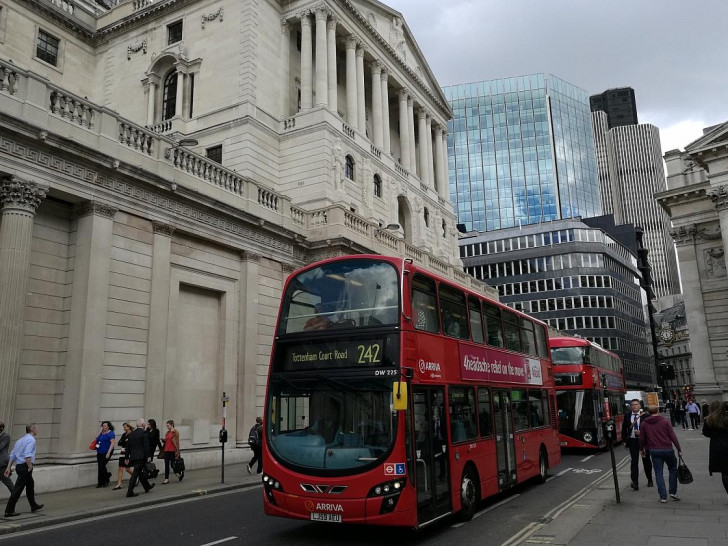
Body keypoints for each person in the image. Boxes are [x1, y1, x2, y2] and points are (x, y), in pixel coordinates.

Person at [639, 405, 682, 503]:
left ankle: (663, 497)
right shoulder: (665, 421)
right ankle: (673, 492)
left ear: (648, 412)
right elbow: (673, 436)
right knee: (673, 469)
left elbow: (641, 439)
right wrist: (679, 449)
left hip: (654, 451)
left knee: (658, 473)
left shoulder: (644, 423)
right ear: (658, 410)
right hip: (667, 449)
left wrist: (642, 449)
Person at [4, 424, 43, 517]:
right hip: (25, 467)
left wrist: (8, 468)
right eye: (36, 428)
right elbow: (27, 454)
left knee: (30, 485)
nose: (37, 430)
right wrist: (29, 466)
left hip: (19, 466)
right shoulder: (31, 440)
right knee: (17, 489)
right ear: (32, 430)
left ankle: (33, 505)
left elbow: (12, 455)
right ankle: (9, 511)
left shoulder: (20, 440)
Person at [621, 399, 653, 490]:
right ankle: (635, 482)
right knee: (634, 461)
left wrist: (642, 432)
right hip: (633, 441)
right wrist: (624, 441)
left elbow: (650, 429)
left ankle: (649, 479)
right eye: (633, 405)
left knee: (646, 460)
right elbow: (624, 429)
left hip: (643, 441)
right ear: (631, 406)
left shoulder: (645, 416)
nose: (634, 406)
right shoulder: (627, 415)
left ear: (639, 406)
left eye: (636, 404)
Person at [702, 400, 728, 498]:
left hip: (718, 447)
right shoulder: (726, 418)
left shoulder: (709, 420)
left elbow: (706, 433)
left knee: (725, 472)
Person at [125, 418, 154, 498]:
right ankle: (129, 492)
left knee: (140, 473)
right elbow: (146, 446)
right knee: (135, 474)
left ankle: (147, 487)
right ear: (142, 425)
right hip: (141, 457)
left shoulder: (132, 434)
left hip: (134, 457)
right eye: (144, 423)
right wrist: (149, 456)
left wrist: (127, 457)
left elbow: (128, 447)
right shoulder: (144, 433)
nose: (145, 425)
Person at [93, 421, 116, 488]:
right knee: (100, 467)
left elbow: (112, 443)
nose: (104, 427)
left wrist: (108, 453)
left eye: (105, 426)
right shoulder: (101, 433)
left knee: (102, 465)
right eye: (103, 426)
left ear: (108, 426)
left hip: (107, 451)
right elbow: (97, 439)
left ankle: (106, 480)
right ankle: (100, 482)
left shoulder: (111, 433)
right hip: (99, 451)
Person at [112, 422, 134, 490]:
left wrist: (124, 442)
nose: (124, 428)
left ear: (129, 427)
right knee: (120, 468)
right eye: (123, 427)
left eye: (125, 427)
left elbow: (129, 443)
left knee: (127, 469)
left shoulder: (132, 434)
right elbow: (119, 443)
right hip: (123, 452)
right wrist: (125, 441)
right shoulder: (124, 434)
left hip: (129, 453)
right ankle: (119, 484)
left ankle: (136, 476)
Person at [161, 420, 181, 484]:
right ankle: (166, 479)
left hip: (172, 451)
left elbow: (177, 442)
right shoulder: (167, 433)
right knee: (166, 465)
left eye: (168, 426)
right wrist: (163, 440)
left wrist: (177, 451)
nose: (167, 427)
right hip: (166, 450)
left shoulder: (175, 432)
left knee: (173, 465)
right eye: (167, 426)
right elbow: (167, 441)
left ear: (172, 425)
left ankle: (179, 473)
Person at [0, 422, 14, 494]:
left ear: (1, 428)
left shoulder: (6, 436)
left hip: (2, 463)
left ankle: (15, 495)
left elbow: (0, 447)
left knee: (7, 481)